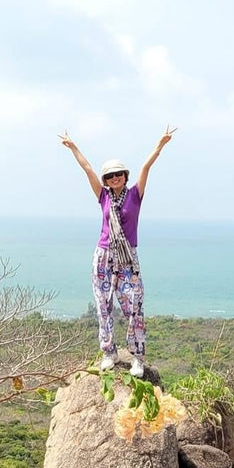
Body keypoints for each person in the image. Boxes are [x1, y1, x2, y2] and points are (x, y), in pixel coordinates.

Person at [58, 126, 176, 377]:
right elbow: (87, 168)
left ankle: (137, 357)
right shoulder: (104, 197)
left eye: (119, 175)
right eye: (110, 177)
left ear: (125, 176)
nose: (115, 179)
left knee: (133, 305)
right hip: (103, 256)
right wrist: (73, 147)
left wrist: (161, 144)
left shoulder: (135, 195)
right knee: (103, 305)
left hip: (127, 259)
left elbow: (146, 167)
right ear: (106, 180)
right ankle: (109, 352)